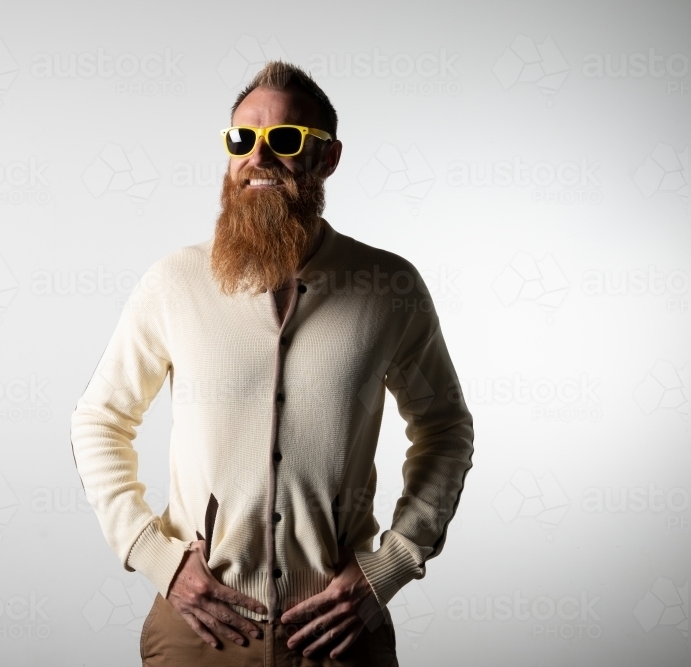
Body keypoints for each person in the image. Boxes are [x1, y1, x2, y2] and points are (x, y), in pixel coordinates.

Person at [70, 60, 474, 666]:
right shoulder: (174, 281)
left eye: (284, 140)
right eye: (243, 140)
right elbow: (100, 420)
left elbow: (445, 430)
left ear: (328, 158)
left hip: (339, 634)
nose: (258, 158)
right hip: (199, 632)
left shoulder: (389, 286)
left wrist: (387, 569)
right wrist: (155, 555)